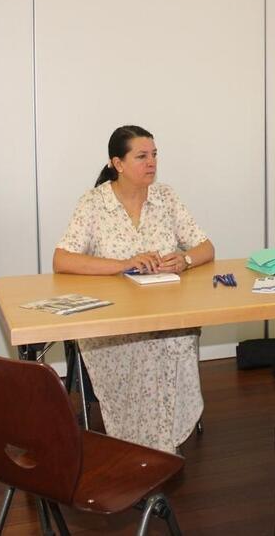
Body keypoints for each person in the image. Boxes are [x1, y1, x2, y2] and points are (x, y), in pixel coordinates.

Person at [53, 125, 215, 453]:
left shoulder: (166, 197)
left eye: (154, 155)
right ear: (118, 163)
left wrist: (183, 260)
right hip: (113, 321)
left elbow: (206, 247)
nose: (151, 162)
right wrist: (123, 264)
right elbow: (62, 259)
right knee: (141, 350)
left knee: (174, 341)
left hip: (166, 313)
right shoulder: (94, 203)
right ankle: (144, 447)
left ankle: (162, 443)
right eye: (141, 156)